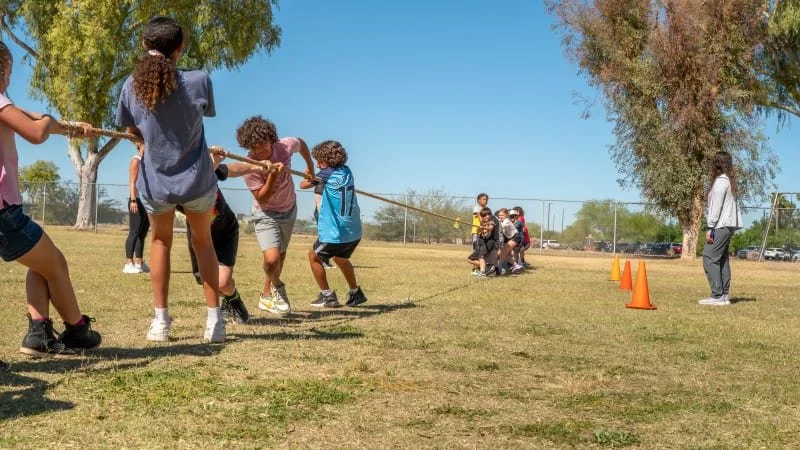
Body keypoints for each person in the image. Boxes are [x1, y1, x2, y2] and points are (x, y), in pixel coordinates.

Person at [116, 17, 224, 343]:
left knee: (161, 242)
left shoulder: (131, 86)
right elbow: (202, 113)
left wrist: (140, 138)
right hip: (197, 181)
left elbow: (130, 129)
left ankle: (161, 323)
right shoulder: (199, 80)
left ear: (144, 45)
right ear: (180, 48)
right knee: (203, 243)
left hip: (157, 183)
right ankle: (214, 323)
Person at [0, 41, 102, 358]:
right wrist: (48, 121)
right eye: (10, 72)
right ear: (3, 69)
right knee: (55, 264)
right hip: (4, 211)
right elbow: (35, 131)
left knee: (42, 262)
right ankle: (77, 330)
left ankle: (39, 332)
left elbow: (30, 117)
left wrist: (69, 128)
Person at [240, 116, 315, 315]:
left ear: (271, 139)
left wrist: (310, 167)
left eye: (262, 145)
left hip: (289, 208)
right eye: (253, 147)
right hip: (266, 213)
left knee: (280, 256)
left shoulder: (284, 146)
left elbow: (302, 143)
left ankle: (266, 296)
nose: (258, 151)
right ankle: (278, 286)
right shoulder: (249, 165)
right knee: (272, 259)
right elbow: (263, 198)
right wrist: (272, 174)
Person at [185, 151, 270, 324]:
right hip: (198, 235)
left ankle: (235, 302)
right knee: (206, 282)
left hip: (225, 230)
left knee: (222, 282)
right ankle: (230, 302)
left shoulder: (206, 169)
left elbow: (232, 169)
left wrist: (257, 165)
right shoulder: (172, 188)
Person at [299, 140, 367, 307]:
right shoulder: (347, 171)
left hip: (336, 233)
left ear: (325, 161)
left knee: (313, 256)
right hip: (354, 231)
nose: (316, 164)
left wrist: (308, 172)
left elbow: (303, 184)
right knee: (341, 259)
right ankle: (355, 293)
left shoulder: (325, 174)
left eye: (318, 161)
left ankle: (327, 296)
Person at [699, 151, 743, 306]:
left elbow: (715, 207)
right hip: (728, 225)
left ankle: (717, 295)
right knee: (722, 260)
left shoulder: (720, 183)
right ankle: (724, 295)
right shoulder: (730, 182)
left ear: (716, 164)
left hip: (720, 225)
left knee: (709, 257)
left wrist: (710, 227)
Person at [123, 143, 150, 274]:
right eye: (145, 145)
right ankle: (128, 263)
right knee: (134, 232)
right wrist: (133, 200)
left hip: (145, 202)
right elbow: (132, 182)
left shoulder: (147, 162)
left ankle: (139, 262)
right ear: (139, 146)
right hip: (136, 201)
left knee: (142, 232)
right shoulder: (136, 160)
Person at [467, 207, 496, 278]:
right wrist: (479, 228)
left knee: (481, 256)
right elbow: (478, 232)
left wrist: (485, 228)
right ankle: (488, 268)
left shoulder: (491, 222)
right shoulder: (482, 223)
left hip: (489, 243)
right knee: (470, 259)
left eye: (487, 215)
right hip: (482, 243)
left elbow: (491, 228)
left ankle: (482, 272)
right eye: (483, 216)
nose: (485, 217)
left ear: (490, 215)